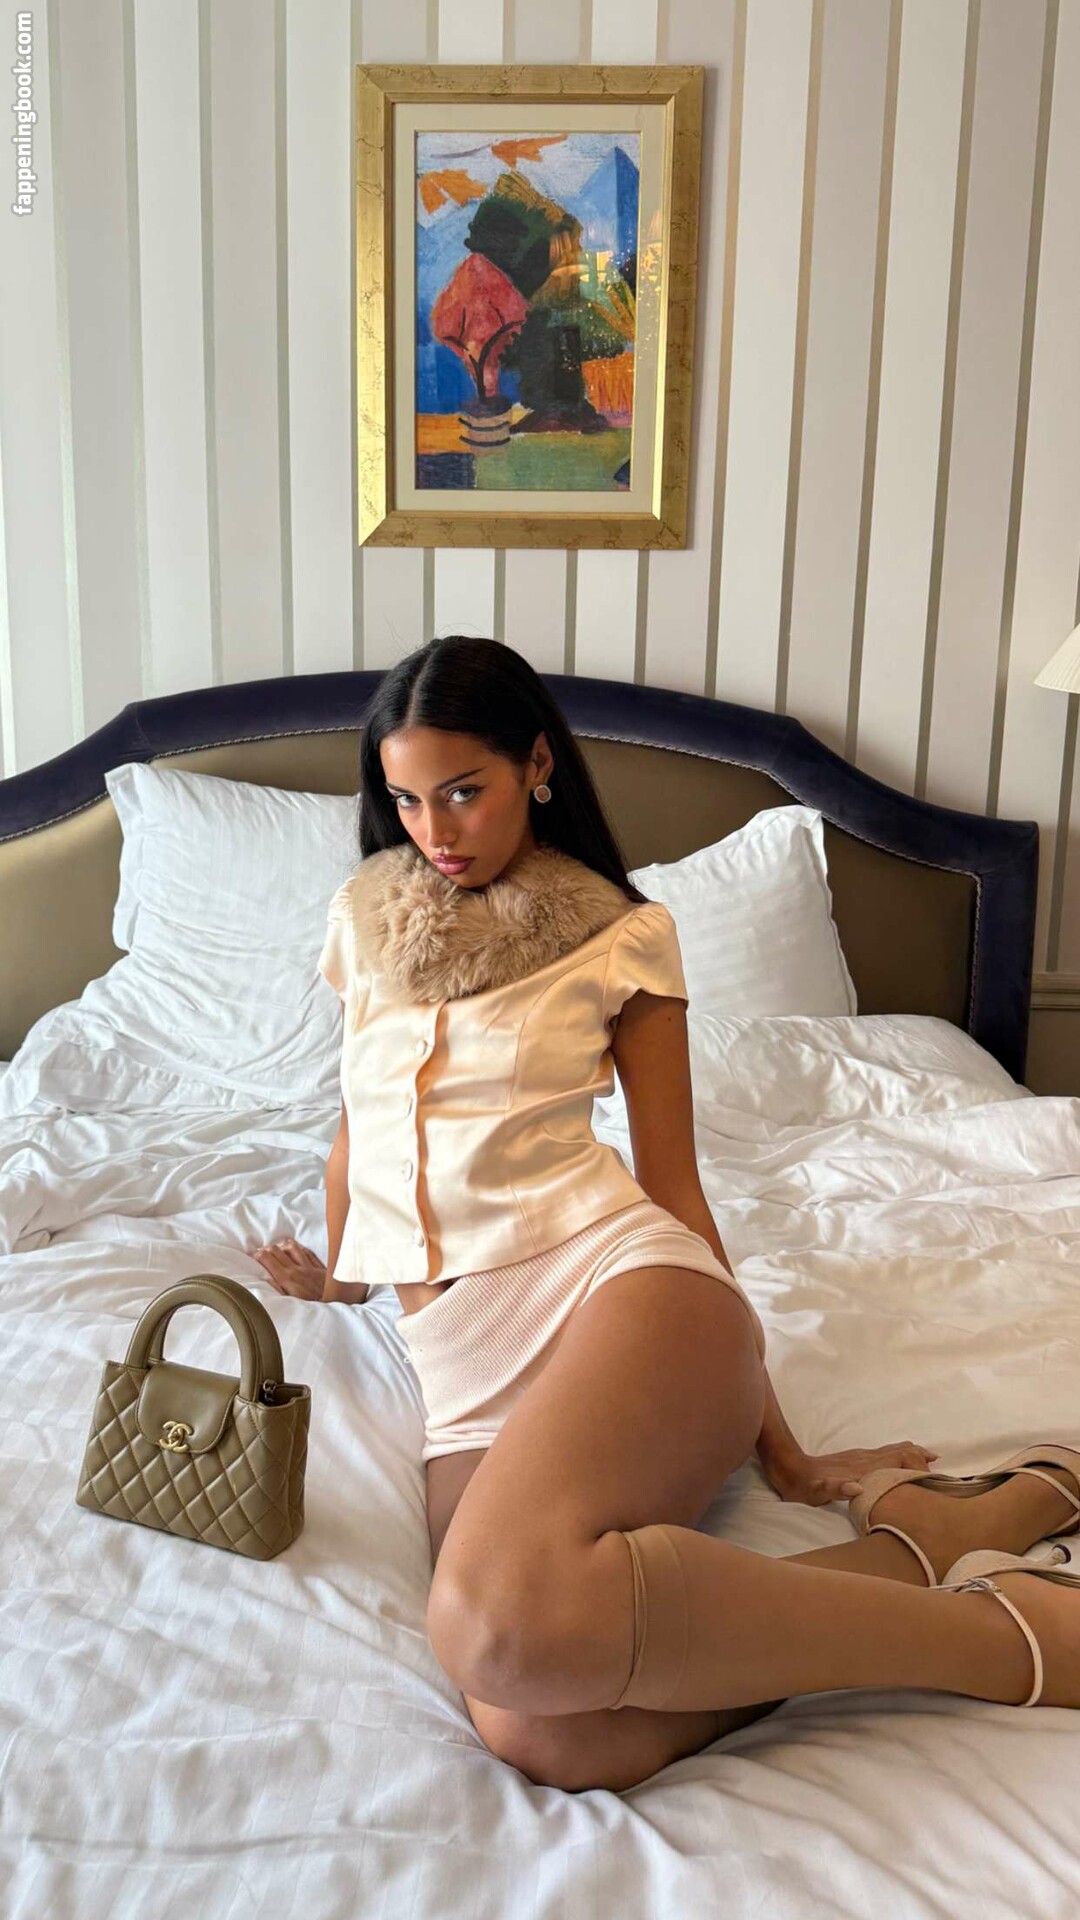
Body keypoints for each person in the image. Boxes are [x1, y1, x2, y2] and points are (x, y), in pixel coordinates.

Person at [250, 635, 1080, 1795]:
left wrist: (783, 1448)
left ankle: (1007, 1641)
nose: (436, 830)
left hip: (623, 1292)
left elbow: (674, 1185)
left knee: (494, 1619)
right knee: (542, 1728)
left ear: (537, 765)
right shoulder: (366, 919)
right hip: (462, 1364)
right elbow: (361, 1128)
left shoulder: (622, 936)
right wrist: (345, 1275)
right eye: (407, 800)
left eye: (464, 792)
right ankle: (924, 1549)